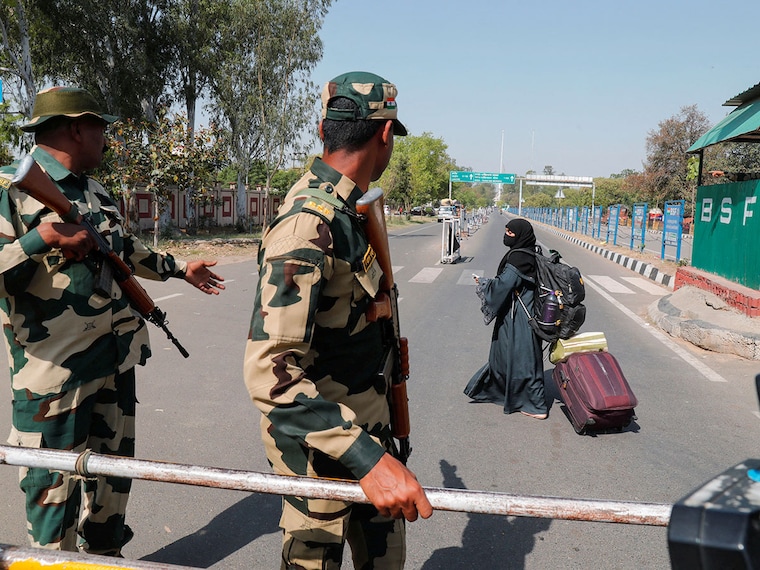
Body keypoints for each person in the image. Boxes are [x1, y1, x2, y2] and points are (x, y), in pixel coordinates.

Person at [0, 86, 225, 556]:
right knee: (52, 496)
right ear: (77, 127)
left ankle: (104, 559)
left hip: (113, 363)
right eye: (101, 127)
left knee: (111, 483)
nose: (108, 138)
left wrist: (179, 269)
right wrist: (41, 238)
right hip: (54, 381)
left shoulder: (95, 191)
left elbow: (123, 252)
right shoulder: (12, 193)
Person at [243, 71, 432, 569]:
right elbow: (270, 371)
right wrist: (367, 459)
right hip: (322, 460)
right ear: (385, 133)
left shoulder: (350, 212)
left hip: (371, 439)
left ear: (324, 127)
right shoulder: (311, 222)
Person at [464, 218, 547, 419]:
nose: (506, 235)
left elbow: (504, 285)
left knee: (523, 360)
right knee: (504, 356)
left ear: (520, 235)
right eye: (506, 231)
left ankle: (536, 406)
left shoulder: (518, 258)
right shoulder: (530, 252)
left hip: (518, 317)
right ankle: (501, 392)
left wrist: (484, 284)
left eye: (510, 233)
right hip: (521, 313)